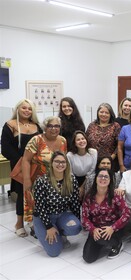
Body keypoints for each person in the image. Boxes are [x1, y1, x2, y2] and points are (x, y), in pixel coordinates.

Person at [1, 99, 42, 237]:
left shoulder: (37, 125)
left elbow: (42, 144)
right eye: (24, 108)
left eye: (30, 109)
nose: (27, 111)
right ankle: (19, 223)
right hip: (20, 165)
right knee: (21, 194)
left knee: (37, 194)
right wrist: (23, 162)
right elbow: (6, 149)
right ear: (17, 109)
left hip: (38, 167)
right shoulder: (10, 125)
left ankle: (34, 221)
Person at [22, 116, 67, 234]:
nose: (54, 129)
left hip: (56, 180)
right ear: (45, 127)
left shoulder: (62, 140)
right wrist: (26, 180)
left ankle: (51, 224)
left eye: (56, 126)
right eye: (50, 126)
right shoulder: (36, 140)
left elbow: (63, 160)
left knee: (51, 204)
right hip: (37, 179)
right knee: (36, 204)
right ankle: (34, 226)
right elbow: (26, 160)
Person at [33, 151, 81, 257]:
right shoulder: (42, 181)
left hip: (62, 214)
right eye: (57, 161)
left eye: (63, 162)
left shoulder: (71, 179)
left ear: (67, 164)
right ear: (51, 163)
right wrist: (49, 227)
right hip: (44, 217)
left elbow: (75, 203)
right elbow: (40, 207)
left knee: (76, 227)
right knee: (54, 252)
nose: (60, 164)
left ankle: (60, 233)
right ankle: (41, 231)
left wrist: (77, 220)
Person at [82, 168, 131, 263]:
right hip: (96, 228)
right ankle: (101, 242)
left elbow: (127, 213)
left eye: (106, 177)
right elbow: (84, 218)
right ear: (96, 178)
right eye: (100, 176)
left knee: (101, 238)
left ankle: (117, 244)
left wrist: (113, 228)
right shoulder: (89, 197)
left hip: (113, 228)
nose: (103, 178)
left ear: (110, 181)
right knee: (88, 258)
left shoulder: (115, 195)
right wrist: (93, 229)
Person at [86, 103, 121, 171]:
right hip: (93, 162)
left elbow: (119, 145)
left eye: (106, 113)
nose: (104, 114)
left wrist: (111, 158)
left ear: (110, 114)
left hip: (109, 163)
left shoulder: (115, 126)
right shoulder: (91, 125)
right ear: (98, 113)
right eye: (101, 112)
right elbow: (86, 141)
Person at [67, 130, 97, 194]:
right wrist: (77, 188)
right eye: (78, 140)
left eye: (83, 139)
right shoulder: (70, 155)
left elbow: (92, 171)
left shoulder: (93, 152)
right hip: (73, 181)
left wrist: (82, 187)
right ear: (74, 143)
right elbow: (70, 173)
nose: (81, 141)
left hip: (89, 180)